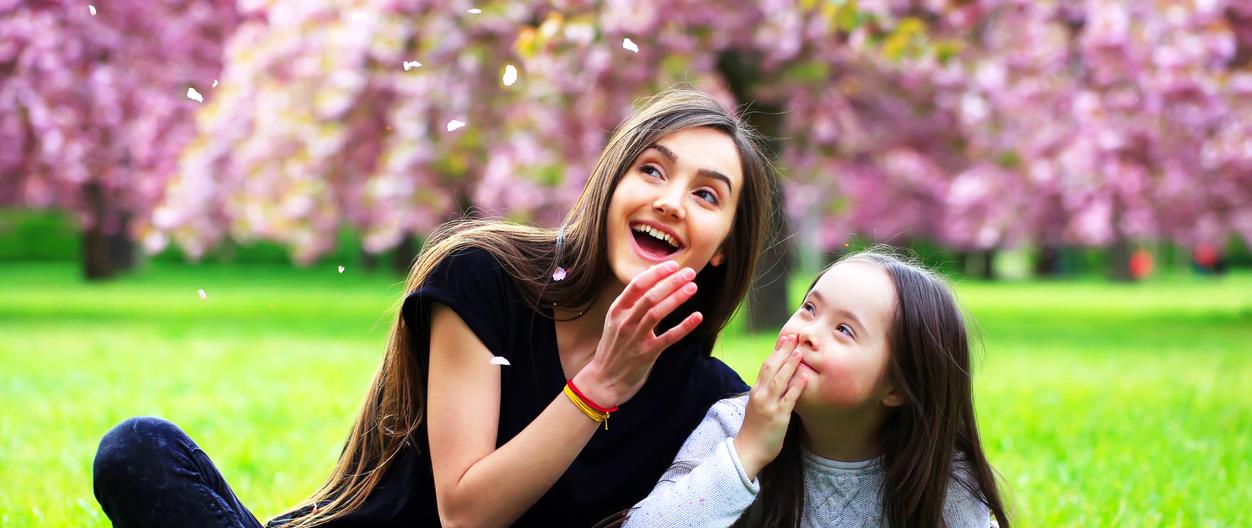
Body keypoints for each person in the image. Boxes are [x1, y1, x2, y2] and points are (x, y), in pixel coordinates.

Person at [91, 89, 781, 527]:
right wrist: (599, 388)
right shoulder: (486, 278)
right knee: (137, 451)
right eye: (652, 170)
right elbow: (466, 513)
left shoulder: (712, 405)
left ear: (721, 247)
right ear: (612, 184)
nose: (669, 199)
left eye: (706, 194)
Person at [622, 248, 1011, 528]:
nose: (807, 332)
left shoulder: (940, 475)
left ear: (896, 388)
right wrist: (748, 452)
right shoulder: (735, 425)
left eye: (844, 330)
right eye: (809, 308)